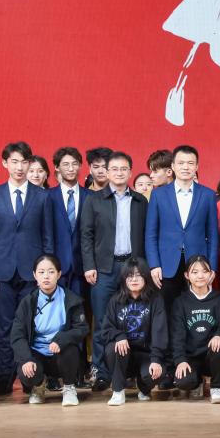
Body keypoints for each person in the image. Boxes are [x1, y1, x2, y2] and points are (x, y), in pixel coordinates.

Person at [0, 141, 55, 397]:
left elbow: (48, 237)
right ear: (4, 163)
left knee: (30, 327)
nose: (20, 167)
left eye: (24, 162)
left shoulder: (42, 196)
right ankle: (4, 377)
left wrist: (46, 272)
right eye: (14, 161)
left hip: (32, 273)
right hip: (1, 273)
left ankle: (28, 378)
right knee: (3, 328)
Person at [146, 145, 219, 368]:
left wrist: (211, 267)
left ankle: (193, 364)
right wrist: (154, 264)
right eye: (181, 163)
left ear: (197, 166)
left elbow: (213, 235)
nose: (186, 167)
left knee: (195, 314)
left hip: (198, 267)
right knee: (167, 314)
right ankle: (169, 365)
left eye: (190, 163)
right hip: (166, 265)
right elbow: (151, 233)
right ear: (173, 167)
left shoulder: (207, 195)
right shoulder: (159, 194)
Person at [80, 151, 148, 390]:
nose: (119, 173)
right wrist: (89, 265)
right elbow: (86, 235)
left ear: (130, 172)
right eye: (114, 169)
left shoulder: (140, 201)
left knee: (133, 319)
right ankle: (102, 371)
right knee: (102, 320)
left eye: (124, 169)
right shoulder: (94, 200)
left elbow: (146, 236)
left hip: (132, 269)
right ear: (107, 173)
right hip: (104, 269)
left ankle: (129, 370)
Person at [11, 254, 88, 406]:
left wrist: (61, 339)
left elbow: (82, 328)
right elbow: (17, 336)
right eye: (41, 272)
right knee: (26, 371)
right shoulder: (27, 302)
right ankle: (38, 387)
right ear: (35, 275)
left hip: (60, 355)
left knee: (71, 350)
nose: (46, 276)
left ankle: (69, 387)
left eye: (51, 272)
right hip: (37, 354)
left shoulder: (71, 299)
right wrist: (26, 358)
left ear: (59, 274)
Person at [49, 147, 91, 387]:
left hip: (84, 269)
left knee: (80, 320)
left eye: (75, 163)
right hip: (56, 269)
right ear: (57, 168)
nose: (71, 168)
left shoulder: (90, 197)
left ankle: (79, 372)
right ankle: (55, 373)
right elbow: (46, 233)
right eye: (65, 164)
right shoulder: (48, 197)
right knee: (56, 320)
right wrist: (49, 267)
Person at [99, 257, 166, 405]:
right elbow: (105, 330)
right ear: (124, 279)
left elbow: (159, 332)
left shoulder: (156, 300)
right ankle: (118, 391)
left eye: (138, 275)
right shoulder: (115, 300)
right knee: (113, 347)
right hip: (124, 354)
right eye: (129, 276)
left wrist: (156, 359)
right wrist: (119, 335)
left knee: (155, 374)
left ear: (146, 277)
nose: (134, 279)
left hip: (146, 354)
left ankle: (144, 388)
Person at [171, 255, 220, 404]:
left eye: (205, 271)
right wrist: (180, 360)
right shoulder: (180, 302)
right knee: (183, 382)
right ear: (187, 275)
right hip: (191, 357)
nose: (200, 276)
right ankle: (197, 381)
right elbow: (177, 335)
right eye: (195, 272)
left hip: (211, 356)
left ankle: (216, 387)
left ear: (211, 274)